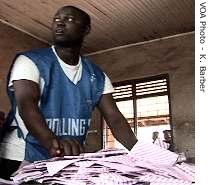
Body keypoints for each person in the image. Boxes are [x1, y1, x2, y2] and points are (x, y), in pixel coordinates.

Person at [0, 6, 137, 179]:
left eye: (69, 19)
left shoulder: (97, 76)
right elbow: (27, 105)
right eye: (56, 19)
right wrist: (53, 143)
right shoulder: (30, 61)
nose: (60, 23)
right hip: (20, 157)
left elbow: (115, 119)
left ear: (85, 29)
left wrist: (144, 154)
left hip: (65, 160)